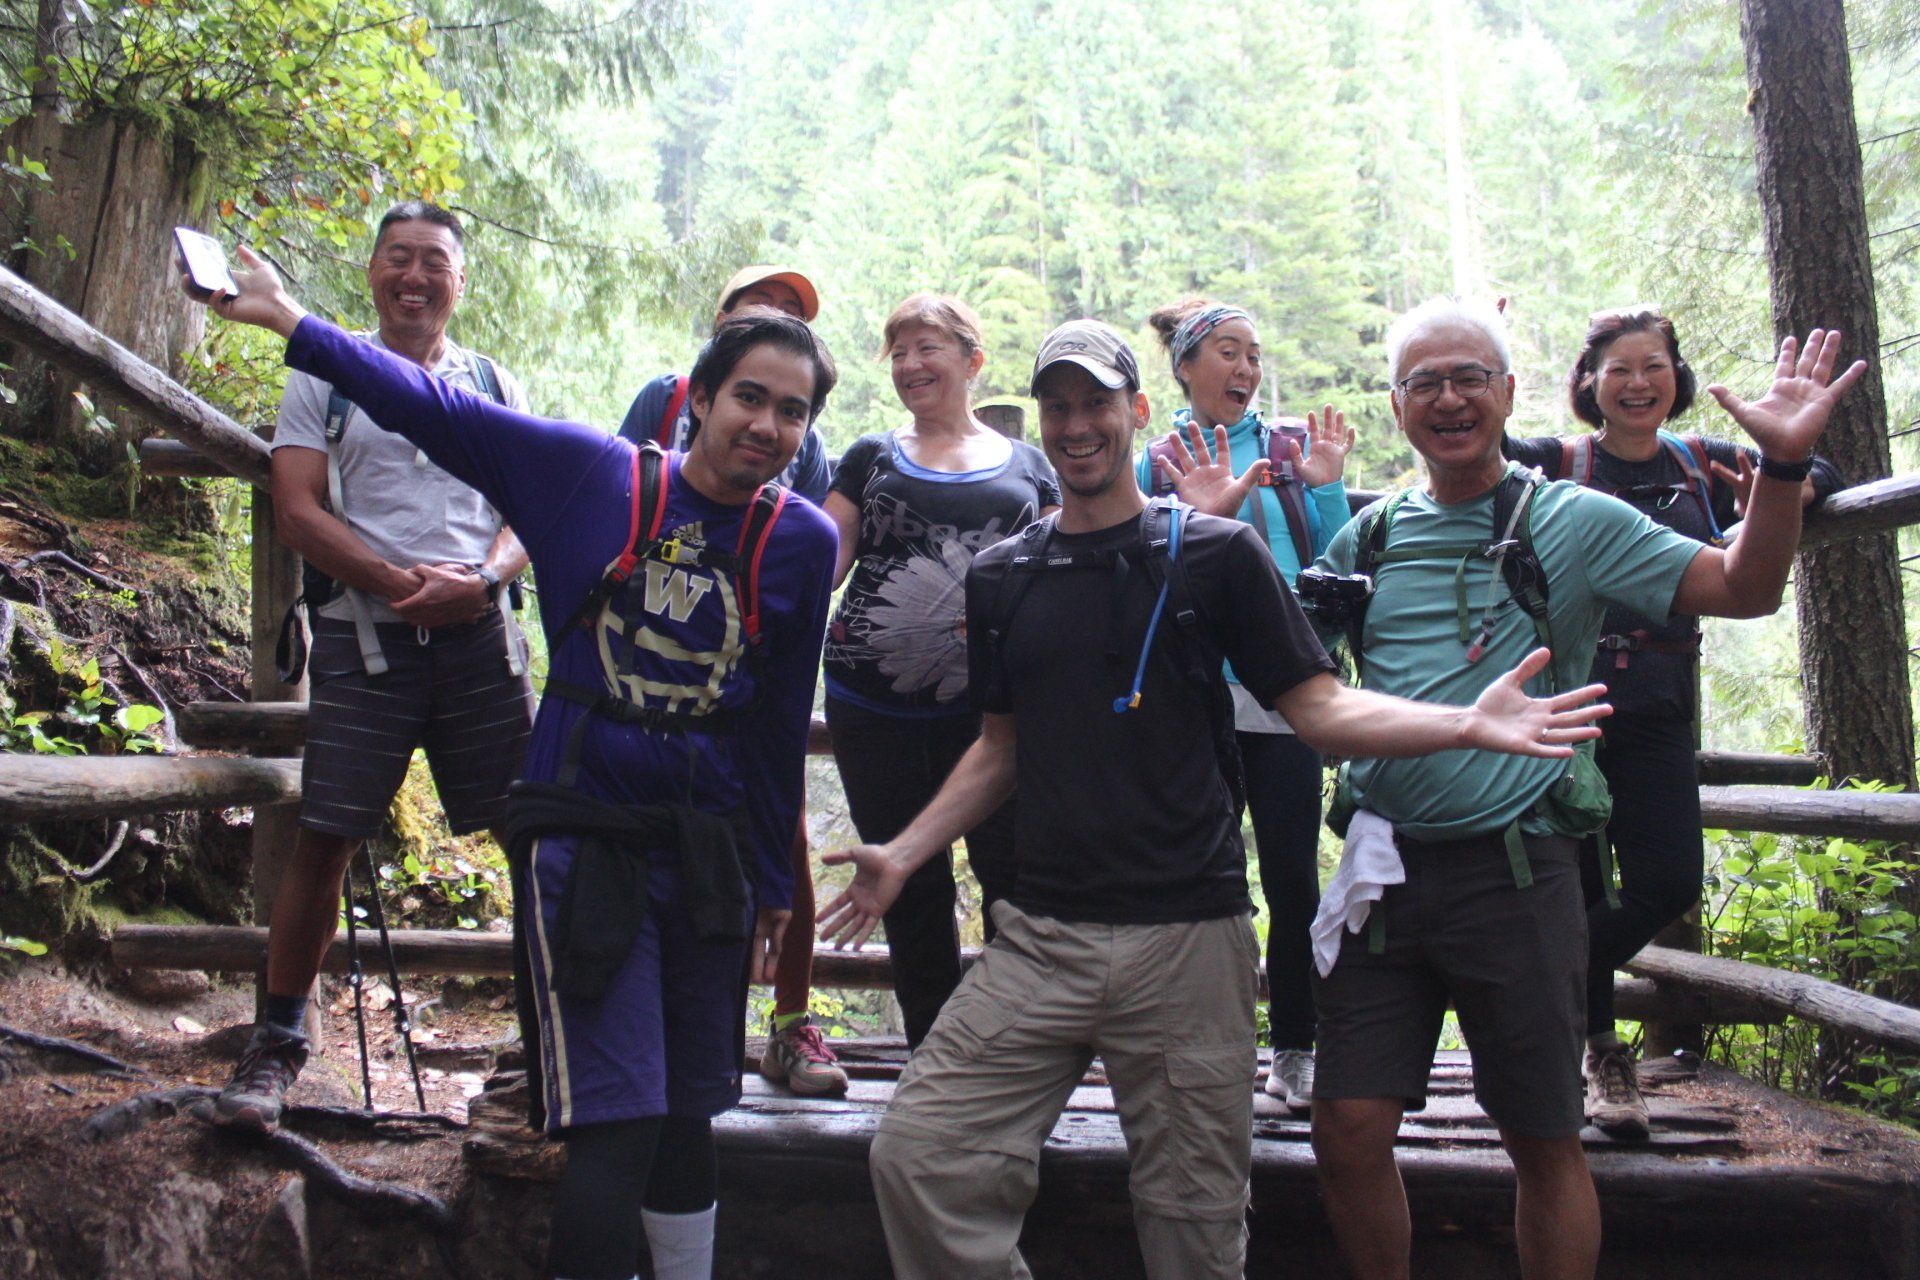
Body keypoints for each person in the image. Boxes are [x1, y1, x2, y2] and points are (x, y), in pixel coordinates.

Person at [817, 318, 1614, 1280]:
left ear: (1136, 413)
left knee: (1193, 1235)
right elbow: (1000, 749)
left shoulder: (1217, 556)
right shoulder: (1005, 577)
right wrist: (906, 853)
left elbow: (1319, 708)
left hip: (1189, 943)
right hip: (1042, 938)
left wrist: (1465, 722)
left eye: (1096, 404)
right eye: (1058, 407)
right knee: (919, 1154)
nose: (1077, 426)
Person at [191, 247, 840, 1280]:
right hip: (586, 847)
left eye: (793, 412)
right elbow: (430, 407)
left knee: (686, 1114)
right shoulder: (592, 478)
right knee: (616, 1119)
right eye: (748, 398)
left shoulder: (799, 540)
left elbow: (774, 727)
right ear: (699, 399)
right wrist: (292, 325)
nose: (765, 426)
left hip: (707, 856)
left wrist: (771, 884)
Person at [1308, 296, 1864, 1280]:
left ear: (1510, 392)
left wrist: (1780, 469)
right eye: (1425, 380)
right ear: (1395, 403)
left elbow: (1745, 586)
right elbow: (1305, 690)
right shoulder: (1371, 539)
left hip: (1519, 868)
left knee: (1542, 1134)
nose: (1449, 396)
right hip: (1383, 876)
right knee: (1347, 1127)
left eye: (1470, 375)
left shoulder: (1571, 518)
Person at [215, 202, 534, 1130]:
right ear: (372, 272)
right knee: (327, 836)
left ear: (459, 282)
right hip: (365, 642)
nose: (415, 276)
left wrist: (480, 579)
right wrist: (402, 584)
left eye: (434, 261)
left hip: (481, 638)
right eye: (399, 258)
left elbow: (526, 507)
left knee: (533, 837)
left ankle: (550, 1040)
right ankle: (276, 1044)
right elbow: (298, 508)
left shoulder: (491, 382)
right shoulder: (323, 373)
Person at [1503, 306, 1843, 1140]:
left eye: (1653, 366)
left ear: (1676, 377)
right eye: (1618, 369)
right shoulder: (1561, 461)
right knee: (1581, 884)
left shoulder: (1700, 461)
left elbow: (1820, 473)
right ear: (1589, 383)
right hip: (1573, 698)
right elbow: (1489, 454)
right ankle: (1600, 1056)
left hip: (1659, 700)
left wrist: (1765, 492)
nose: (1638, 382)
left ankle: (1544, 983)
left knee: (1667, 879)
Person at [618, 263, 844, 1095]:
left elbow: (802, 547)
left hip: (743, 660)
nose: (776, 317)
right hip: (646, 655)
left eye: (793, 313)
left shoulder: (803, 441)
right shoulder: (665, 399)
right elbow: (623, 487)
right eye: (762, 306)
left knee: (781, 833)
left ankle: (789, 1022)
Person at [821, 292, 1059, 1049]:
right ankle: (932, 1061)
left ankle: (1010, 1056)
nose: (911, 365)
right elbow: (819, 564)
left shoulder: (1030, 466)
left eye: (927, 348)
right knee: (907, 888)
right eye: (898, 352)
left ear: (971, 359)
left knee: (1014, 888)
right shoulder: (870, 457)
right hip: (874, 713)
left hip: (995, 720)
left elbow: (1070, 574)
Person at [1137, 298, 1355, 1113]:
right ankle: (1200, 1044)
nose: (1246, 369)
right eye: (1227, 352)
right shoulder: (1156, 460)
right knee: (1202, 877)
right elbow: (1135, 570)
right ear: (1186, 367)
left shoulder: (1294, 454)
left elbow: (1325, 565)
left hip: (1284, 691)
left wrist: (1329, 491)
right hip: (1193, 693)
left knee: (1294, 879)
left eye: (1254, 354)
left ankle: (1296, 1043)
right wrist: (1196, 511)